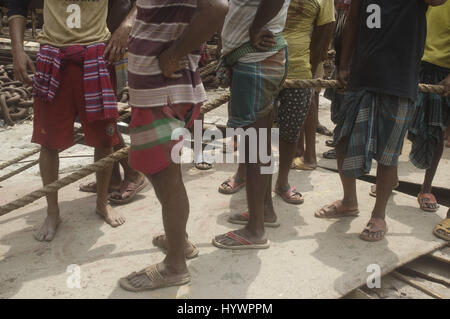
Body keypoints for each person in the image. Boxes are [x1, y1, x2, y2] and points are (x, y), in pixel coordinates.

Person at [118, 0, 228, 292]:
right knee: (158, 173)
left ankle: (175, 265)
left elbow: (217, 8)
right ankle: (178, 240)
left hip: (162, 94)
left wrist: (175, 53)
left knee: (168, 179)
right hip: (155, 93)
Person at [315, 0, 447, 242]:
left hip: (399, 81)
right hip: (362, 75)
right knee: (343, 141)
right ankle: (348, 201)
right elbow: (353, 22)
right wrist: (344, 64)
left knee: (389, 154)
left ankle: (379, 215)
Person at [8, 0, 135, 241]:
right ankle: (52, 212)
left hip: (97, 54)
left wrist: (126, 25)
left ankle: (101, 203)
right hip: (52, 55)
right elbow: (17, 5)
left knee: (104, 140)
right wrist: (17, 50)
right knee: (49, 142)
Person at [218, 0, 335, 207]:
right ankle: (242, 174)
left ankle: (282, 181)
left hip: (297, 67)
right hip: (258, 58)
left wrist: (311, 64)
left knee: (290, 131)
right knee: (253, 131)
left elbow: (324, 32)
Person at [212, 0, 290, 249]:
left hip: (257, 59)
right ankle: (264, 211)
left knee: (253, 148)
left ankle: (255, 230)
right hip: (259, 58)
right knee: (260, 145)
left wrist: (254, 28)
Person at [369, 1, 450, 213]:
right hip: (409, 62)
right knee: (396, 124)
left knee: (436, 131)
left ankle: (426, 188)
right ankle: (389, 178)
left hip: (440, 72)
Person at [79, 0, 149, 205]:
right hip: (88, 44)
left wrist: (127, 25)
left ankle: (132, 173)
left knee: (103, 115)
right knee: (94, 114)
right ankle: (112, 177)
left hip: (113, 43)